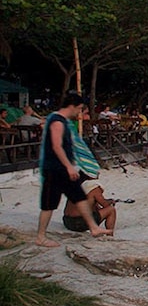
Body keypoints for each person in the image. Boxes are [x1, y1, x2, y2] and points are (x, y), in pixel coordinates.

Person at [35, 92, 112, 247]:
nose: (79, 113)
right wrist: (69, 166)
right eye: (79, 109)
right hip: (55, 169)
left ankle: (93, 228)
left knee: (79, 197)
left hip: (62, 169)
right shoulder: (58, 122)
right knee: (49, 204)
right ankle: (41, 236)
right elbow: (57, 146)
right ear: (72, 106)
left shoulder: (60, 120)